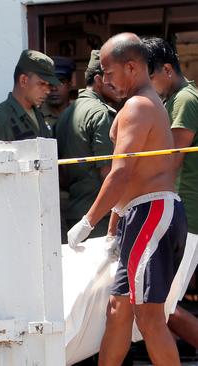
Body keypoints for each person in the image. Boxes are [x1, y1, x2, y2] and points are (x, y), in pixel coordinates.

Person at [67, 33, 187, 366]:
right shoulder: (144, 103)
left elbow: (120, 173)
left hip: (151, 214)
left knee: (148, 316)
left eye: (108, 71)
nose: (104, 79)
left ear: (131, 67)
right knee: (119, 310)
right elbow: (129, 178)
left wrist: (89, 221)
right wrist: (114, 226)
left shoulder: (138, 105)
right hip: (143, 214)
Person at [142, 36, 198, 350]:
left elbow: (171, 162)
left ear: (166, 70)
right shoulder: (176, 99)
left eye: (150, 77)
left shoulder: (185, 100)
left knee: (166, 308)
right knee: (163, 305)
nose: (149, 85)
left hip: (186, 215)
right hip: (179, 212)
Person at [56, 50, 120, 240]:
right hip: (97, 218)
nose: (119, 85)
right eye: (113, 78)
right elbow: (109, 174)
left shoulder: (67, 114)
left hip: (73, 211)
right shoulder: (101, 114)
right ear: (99, 80)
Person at [0, 49, 59, 141]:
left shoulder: (38, 114)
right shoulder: (1, 120)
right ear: (23, 80)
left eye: (49, 85)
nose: (47, 91)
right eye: (42, 84)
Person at [41, 56, 75, 129]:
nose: (54, 88)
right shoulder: (34, 116)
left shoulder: (81, 113)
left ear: (70, 85)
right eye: (49, 83)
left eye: (60, 82)